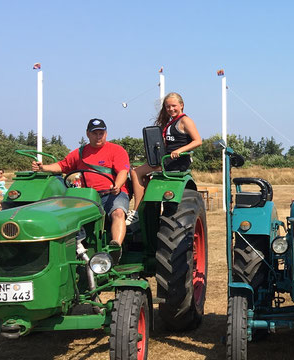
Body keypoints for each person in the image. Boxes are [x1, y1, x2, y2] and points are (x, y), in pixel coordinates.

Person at [32, 118, 131, 252]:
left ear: (106, 134)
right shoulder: (80, 153)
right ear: (88, 134)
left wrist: (117, 185)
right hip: (88, 197)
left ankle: (115, 248)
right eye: (95, 133)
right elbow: (62, 165)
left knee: (118, 212)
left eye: (101, 133)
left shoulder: (116, 150)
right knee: (69, 216)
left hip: (113, 194)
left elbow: (123, 172)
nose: (98, 136)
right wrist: (43, 167)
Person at [128, 92, 202, 225]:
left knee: (135, 172)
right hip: (166, 159)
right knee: (140, 175)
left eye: (174, 106)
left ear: (181, 105)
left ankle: (136, 211)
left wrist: (179, 150)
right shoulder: (171, 122)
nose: (171, 109)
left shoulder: (185, 121)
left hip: (174, 161)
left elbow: (197, 141)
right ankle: (147, 208)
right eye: (168, 107)